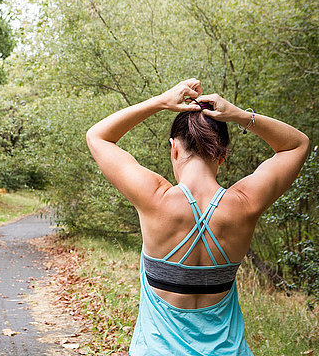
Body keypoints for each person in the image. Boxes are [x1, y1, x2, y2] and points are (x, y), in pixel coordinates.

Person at [85, 78, 310, 355]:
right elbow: (297, 145)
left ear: (174, 149)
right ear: (223, 154)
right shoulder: (245, 204)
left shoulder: (154, 198)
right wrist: (239, 115)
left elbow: (98, 136)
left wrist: (160, 102)